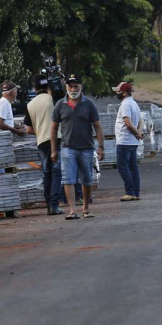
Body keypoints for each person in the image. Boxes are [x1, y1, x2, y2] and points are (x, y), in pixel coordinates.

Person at [50, 74, 105, 220]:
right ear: (66, 87)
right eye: (70, 86)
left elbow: (98, 127)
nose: (73, 89)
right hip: (67, 148)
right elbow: (54, 129)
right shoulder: (60, 105)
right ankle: (72, 210)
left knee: (86, 179)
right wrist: (54, 150)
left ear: (81, 87)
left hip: (86, 148)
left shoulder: (88, 104)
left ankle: (86, 208)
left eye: (76, 86)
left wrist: (101, 147)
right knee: (68, 179)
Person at [23, 74, 62, 215]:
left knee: (47, 173)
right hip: (56, 139)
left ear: (34, 88)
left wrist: (40, 131)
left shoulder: (30, 105)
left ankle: (48, 205)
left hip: (42, 142)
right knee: (57, 172)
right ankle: (54, 205)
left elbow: (28, 129)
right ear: (47, 86)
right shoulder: (53, 99)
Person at [113, 82, 143, 202]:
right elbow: (140, 121)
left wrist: (137, 133)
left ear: (124, 93)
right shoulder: (134, 103)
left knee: (122, 167)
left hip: (125, 141)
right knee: (132, 167)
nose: (116, 93)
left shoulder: (125, 104)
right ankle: (136, 192)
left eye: (118, 91)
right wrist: (139, 133)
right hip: (132, 141)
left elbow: (128, 123)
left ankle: (129, 191)